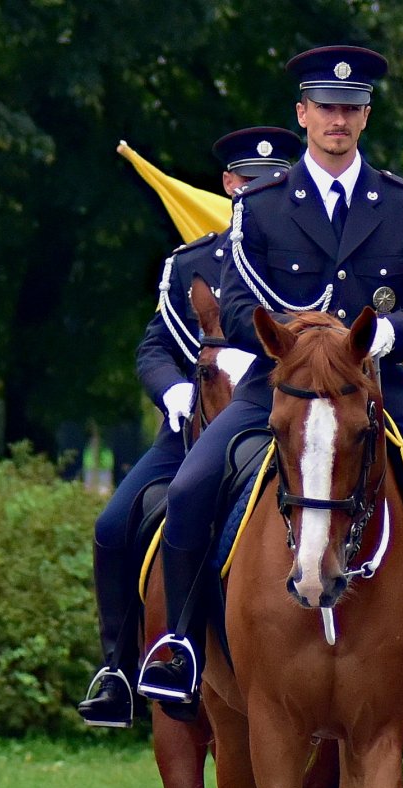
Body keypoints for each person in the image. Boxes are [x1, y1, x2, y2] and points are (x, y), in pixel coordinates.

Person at [136, 45, 403, 737]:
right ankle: (181, 644)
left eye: (351, 108)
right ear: (303, 114)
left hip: (380, 388)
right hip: (281, 386)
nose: (338, 119)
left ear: (365, 117)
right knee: (187, 491)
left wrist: (384, 337)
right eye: (326, 108)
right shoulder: (263, 206)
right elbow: (238, 307)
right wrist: (303, 340)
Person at [76, 126, 301, 728]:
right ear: (230, 185)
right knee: (114, 524)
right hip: (191, 431)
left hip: (278, 431)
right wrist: (172, 389)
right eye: (249, 182)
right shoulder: (190, 263)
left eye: (273, 182)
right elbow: (154, 349)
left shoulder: (299, 260)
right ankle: (120, 670)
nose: (259, 192)